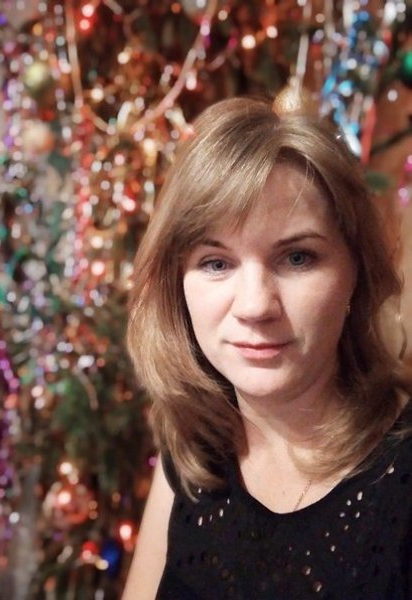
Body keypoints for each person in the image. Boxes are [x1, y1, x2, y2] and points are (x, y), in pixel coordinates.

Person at [122, 93, 412, 600]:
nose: (255, 306)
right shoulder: (195, 453)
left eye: (297, 258)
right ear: (177, 285)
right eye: (216, 263)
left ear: (356, 273)